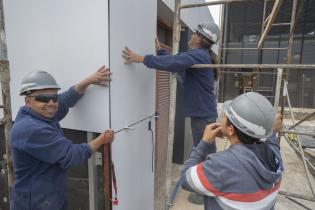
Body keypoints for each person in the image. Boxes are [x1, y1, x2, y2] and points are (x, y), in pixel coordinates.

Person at [122, 22, 221, 204]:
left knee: (204, 153)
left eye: (194, 34)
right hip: (203, 114)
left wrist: (142, 58)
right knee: (204, 150)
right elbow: (177, 62)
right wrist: (161, 53)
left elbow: (175, 62)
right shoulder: (200, 55)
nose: (191, 37)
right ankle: (206, 187)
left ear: (201, 39)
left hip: (203, 116)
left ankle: (205, 191)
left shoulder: (199, 55)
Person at [10, 66, 114, 210]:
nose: (51, 103)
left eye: (54, 97)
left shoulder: (40, 114)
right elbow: (71, 155)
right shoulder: (31, 130)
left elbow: (65, 100)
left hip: (50, 197)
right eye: (43, 98)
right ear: (27, 101)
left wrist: (88, 81)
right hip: (35, 204)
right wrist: (102, 139)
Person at [180, 92, 284, 210]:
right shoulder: (274, 155)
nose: (220, 118)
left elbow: (185, 179)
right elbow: (271, 141)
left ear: (230, 130)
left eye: (224, 116)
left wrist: (204, 142)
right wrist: (271, 128)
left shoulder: (220, 166)